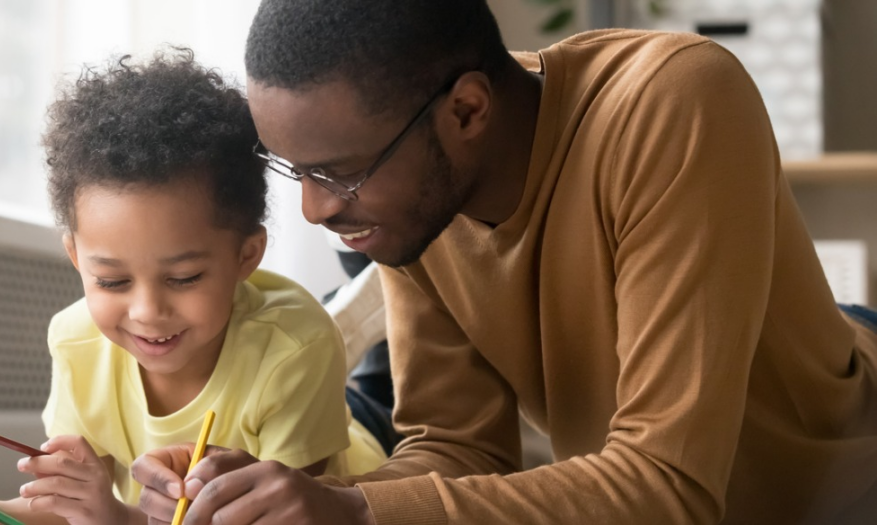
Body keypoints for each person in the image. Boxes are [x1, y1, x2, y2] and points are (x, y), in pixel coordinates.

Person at [131, 1, 877, 524]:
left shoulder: (673, 99)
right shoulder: (411, 195)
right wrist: (293, 500)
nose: (317, 210)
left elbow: (668, 484)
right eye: (297, 171)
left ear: (466, 111)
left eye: (341, 172)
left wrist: (357, 510)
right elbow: (458, 448)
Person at [0, 48, 385, 525]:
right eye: (112, 280)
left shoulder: (297, 347)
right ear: (76, 257)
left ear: (246, 256)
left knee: (380, 381)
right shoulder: (75, 341)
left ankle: (377, 291)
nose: (147, 311)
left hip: (365, 461)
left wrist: (117, 516)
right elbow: (68, 511)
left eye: (184, 278)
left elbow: (282, 517)